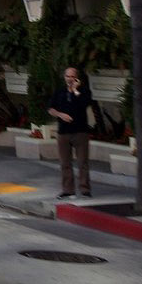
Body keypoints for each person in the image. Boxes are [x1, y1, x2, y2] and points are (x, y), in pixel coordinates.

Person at [47, 67, 96, 198]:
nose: (69, 79)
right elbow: (51, 109)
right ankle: (68, 190)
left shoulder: (84, 91)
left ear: (77, 78)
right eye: (67, 76)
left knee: (82, 162)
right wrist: (60, 114)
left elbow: (85, 104)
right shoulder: (59, 92)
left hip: (80, 131)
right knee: (65, 163)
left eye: (72, 76)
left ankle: (85, 189)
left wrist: (75, 90)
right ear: (64, 77)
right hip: (63, 132)